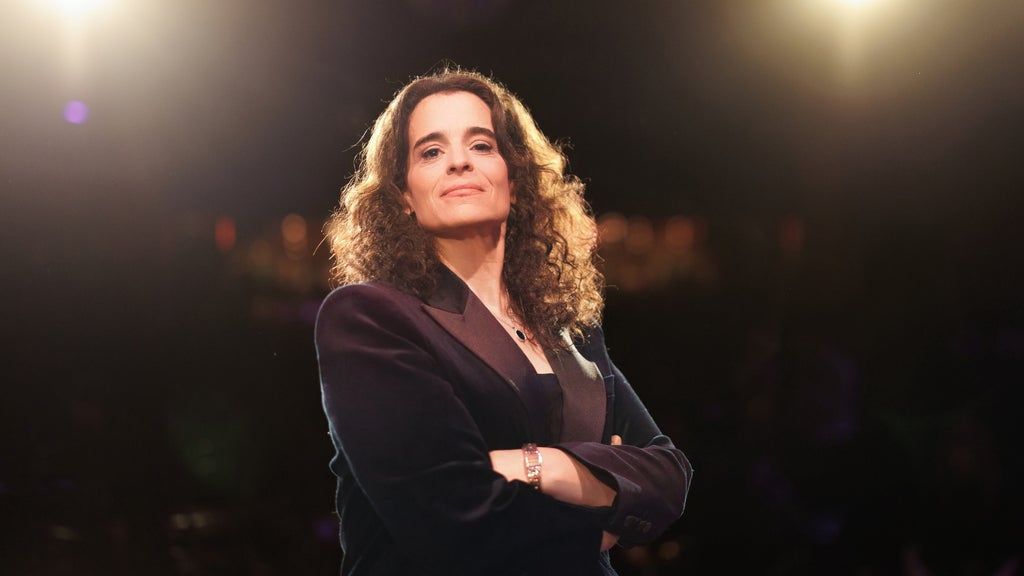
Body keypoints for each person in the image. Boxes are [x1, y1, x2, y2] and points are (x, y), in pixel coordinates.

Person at [315, 68, 693, 576]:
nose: (459, 161)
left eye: (481, 145)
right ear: (403, 194)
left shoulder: (568, 326)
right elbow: (454, 520)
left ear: (514, 180)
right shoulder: (369, 317)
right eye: (431, 151)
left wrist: (537, 464)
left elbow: (669, 475)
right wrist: (602, 514)